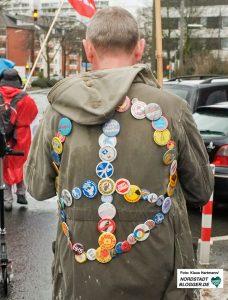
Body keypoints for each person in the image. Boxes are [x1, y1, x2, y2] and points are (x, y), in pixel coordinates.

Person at [25, 7, 214, 300]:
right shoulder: (172, 108)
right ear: (140, 48)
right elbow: (201, 189)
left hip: (81, 280)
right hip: (161, 280)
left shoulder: (57, 111)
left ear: (88, 50)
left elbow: (37, 188)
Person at [0, 68, 38, 211]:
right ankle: (21, 192)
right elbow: (33, 113)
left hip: (2, 136)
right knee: (20, 163)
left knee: (4, 165)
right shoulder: (25, 98)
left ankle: (7, 199)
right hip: (21, 136)